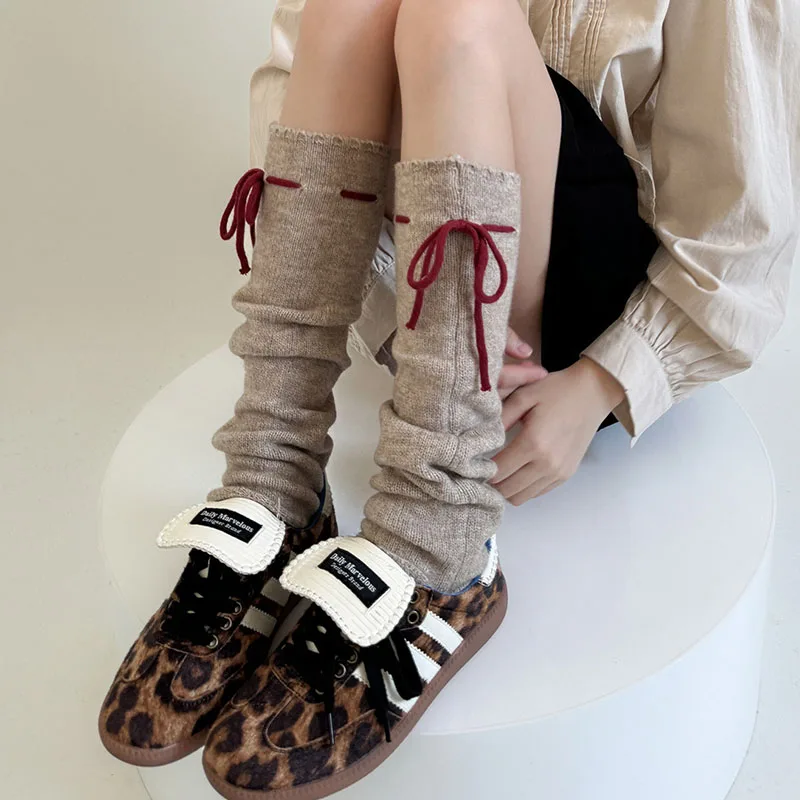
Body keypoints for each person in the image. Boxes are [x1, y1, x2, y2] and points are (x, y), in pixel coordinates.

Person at [99, 0, 798, 797]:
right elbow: (296, 87)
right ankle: (274, 464)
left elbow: (742, 226)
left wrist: (605, 383)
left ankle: (439, 532)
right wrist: (407, 314)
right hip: (431, 271)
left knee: (456, 14)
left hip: (571, 320)